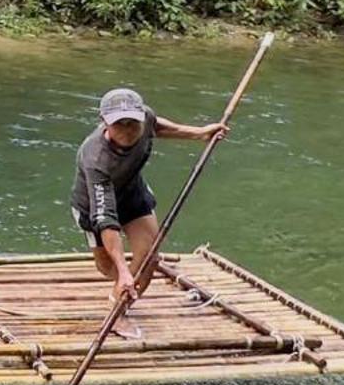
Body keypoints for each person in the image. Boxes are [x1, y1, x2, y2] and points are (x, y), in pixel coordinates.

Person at [71, 88, 227, 302]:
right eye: (119, 124)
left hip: (132, 195)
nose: (127, 131)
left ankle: (121, 307)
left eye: (133, 123)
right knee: (108, 268)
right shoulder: (96, 160)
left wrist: (199, 133)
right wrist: (123, 271)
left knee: (148, 258)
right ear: (104, 121)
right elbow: (105, 219)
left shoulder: (146, 119)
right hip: (93, 207)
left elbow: (155, 126)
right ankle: (121, 281)